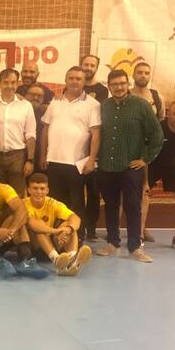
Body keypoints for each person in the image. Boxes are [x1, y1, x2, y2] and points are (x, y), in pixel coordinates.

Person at [96, 69, 163, 263]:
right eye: (114, 84)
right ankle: (113, 243)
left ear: (128, 84)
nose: (119, 87)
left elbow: (157, 135)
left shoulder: (141, 105)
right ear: (109, 86)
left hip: (131, 168)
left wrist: (145, 158)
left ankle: (135, 247)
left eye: (122, 83)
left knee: (133, 207)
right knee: (110, 206)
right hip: (106, 166)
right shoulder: (104, 106)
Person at [39, 66, 101, 240]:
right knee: (55, 203)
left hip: (76, 163)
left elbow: (96, 134)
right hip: (53, 161)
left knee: (76, 204)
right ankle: (56, 237)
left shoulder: (93, 104)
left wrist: (92, 159)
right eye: (71, 78)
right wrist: (43, 155)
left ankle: (77, 237)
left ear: (84, 82)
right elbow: (45, 129)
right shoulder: (55, 101)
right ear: (65, 80)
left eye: (78, 79)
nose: (75, 82)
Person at [141, 100, 175, 250]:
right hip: (152, 164)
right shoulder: (157, 129)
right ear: (168, 114)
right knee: (143, 194)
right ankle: (139, 235)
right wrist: (145, 183)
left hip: (173, 165)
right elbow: (145, 156)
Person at [25, 172, 92, 276]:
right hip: (36, 248)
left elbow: (75, 218)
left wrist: (68, 229)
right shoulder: (24, 204)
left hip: (53, 244)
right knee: (40, 229)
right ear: (28, 190)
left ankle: (72, 258)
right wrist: (56, 231)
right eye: (35, 188)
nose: (38, 192)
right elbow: (32, 224)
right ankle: (57, 260)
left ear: (47, 190)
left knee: (68, 225)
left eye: (42, 189)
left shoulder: (53, 203)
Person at [0, 68, 36, 196]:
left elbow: (30, 134)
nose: (10, 86)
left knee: (17, 196)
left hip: (18, 157)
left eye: (13, 82)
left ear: (17, 84)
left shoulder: (26, 105)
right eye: (6, 82)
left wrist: (30, 160)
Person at [80, 54, 108, 240]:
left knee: (93, 192)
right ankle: (76, 227)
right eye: (86, 64)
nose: (89, 67)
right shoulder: (73, 87)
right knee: (75, 192)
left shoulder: (102, 91)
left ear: (96, 67)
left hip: (94, 150)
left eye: (92, 65)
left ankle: (90, 229)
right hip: (75, 150)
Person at [24, 83, 48, 173]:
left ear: (43, 99)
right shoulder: (18, 112)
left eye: (39, 96)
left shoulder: (47, 114)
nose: (35, 98)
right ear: (25, 96)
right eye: (32, 94)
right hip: (20, 157)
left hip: (40, 157)